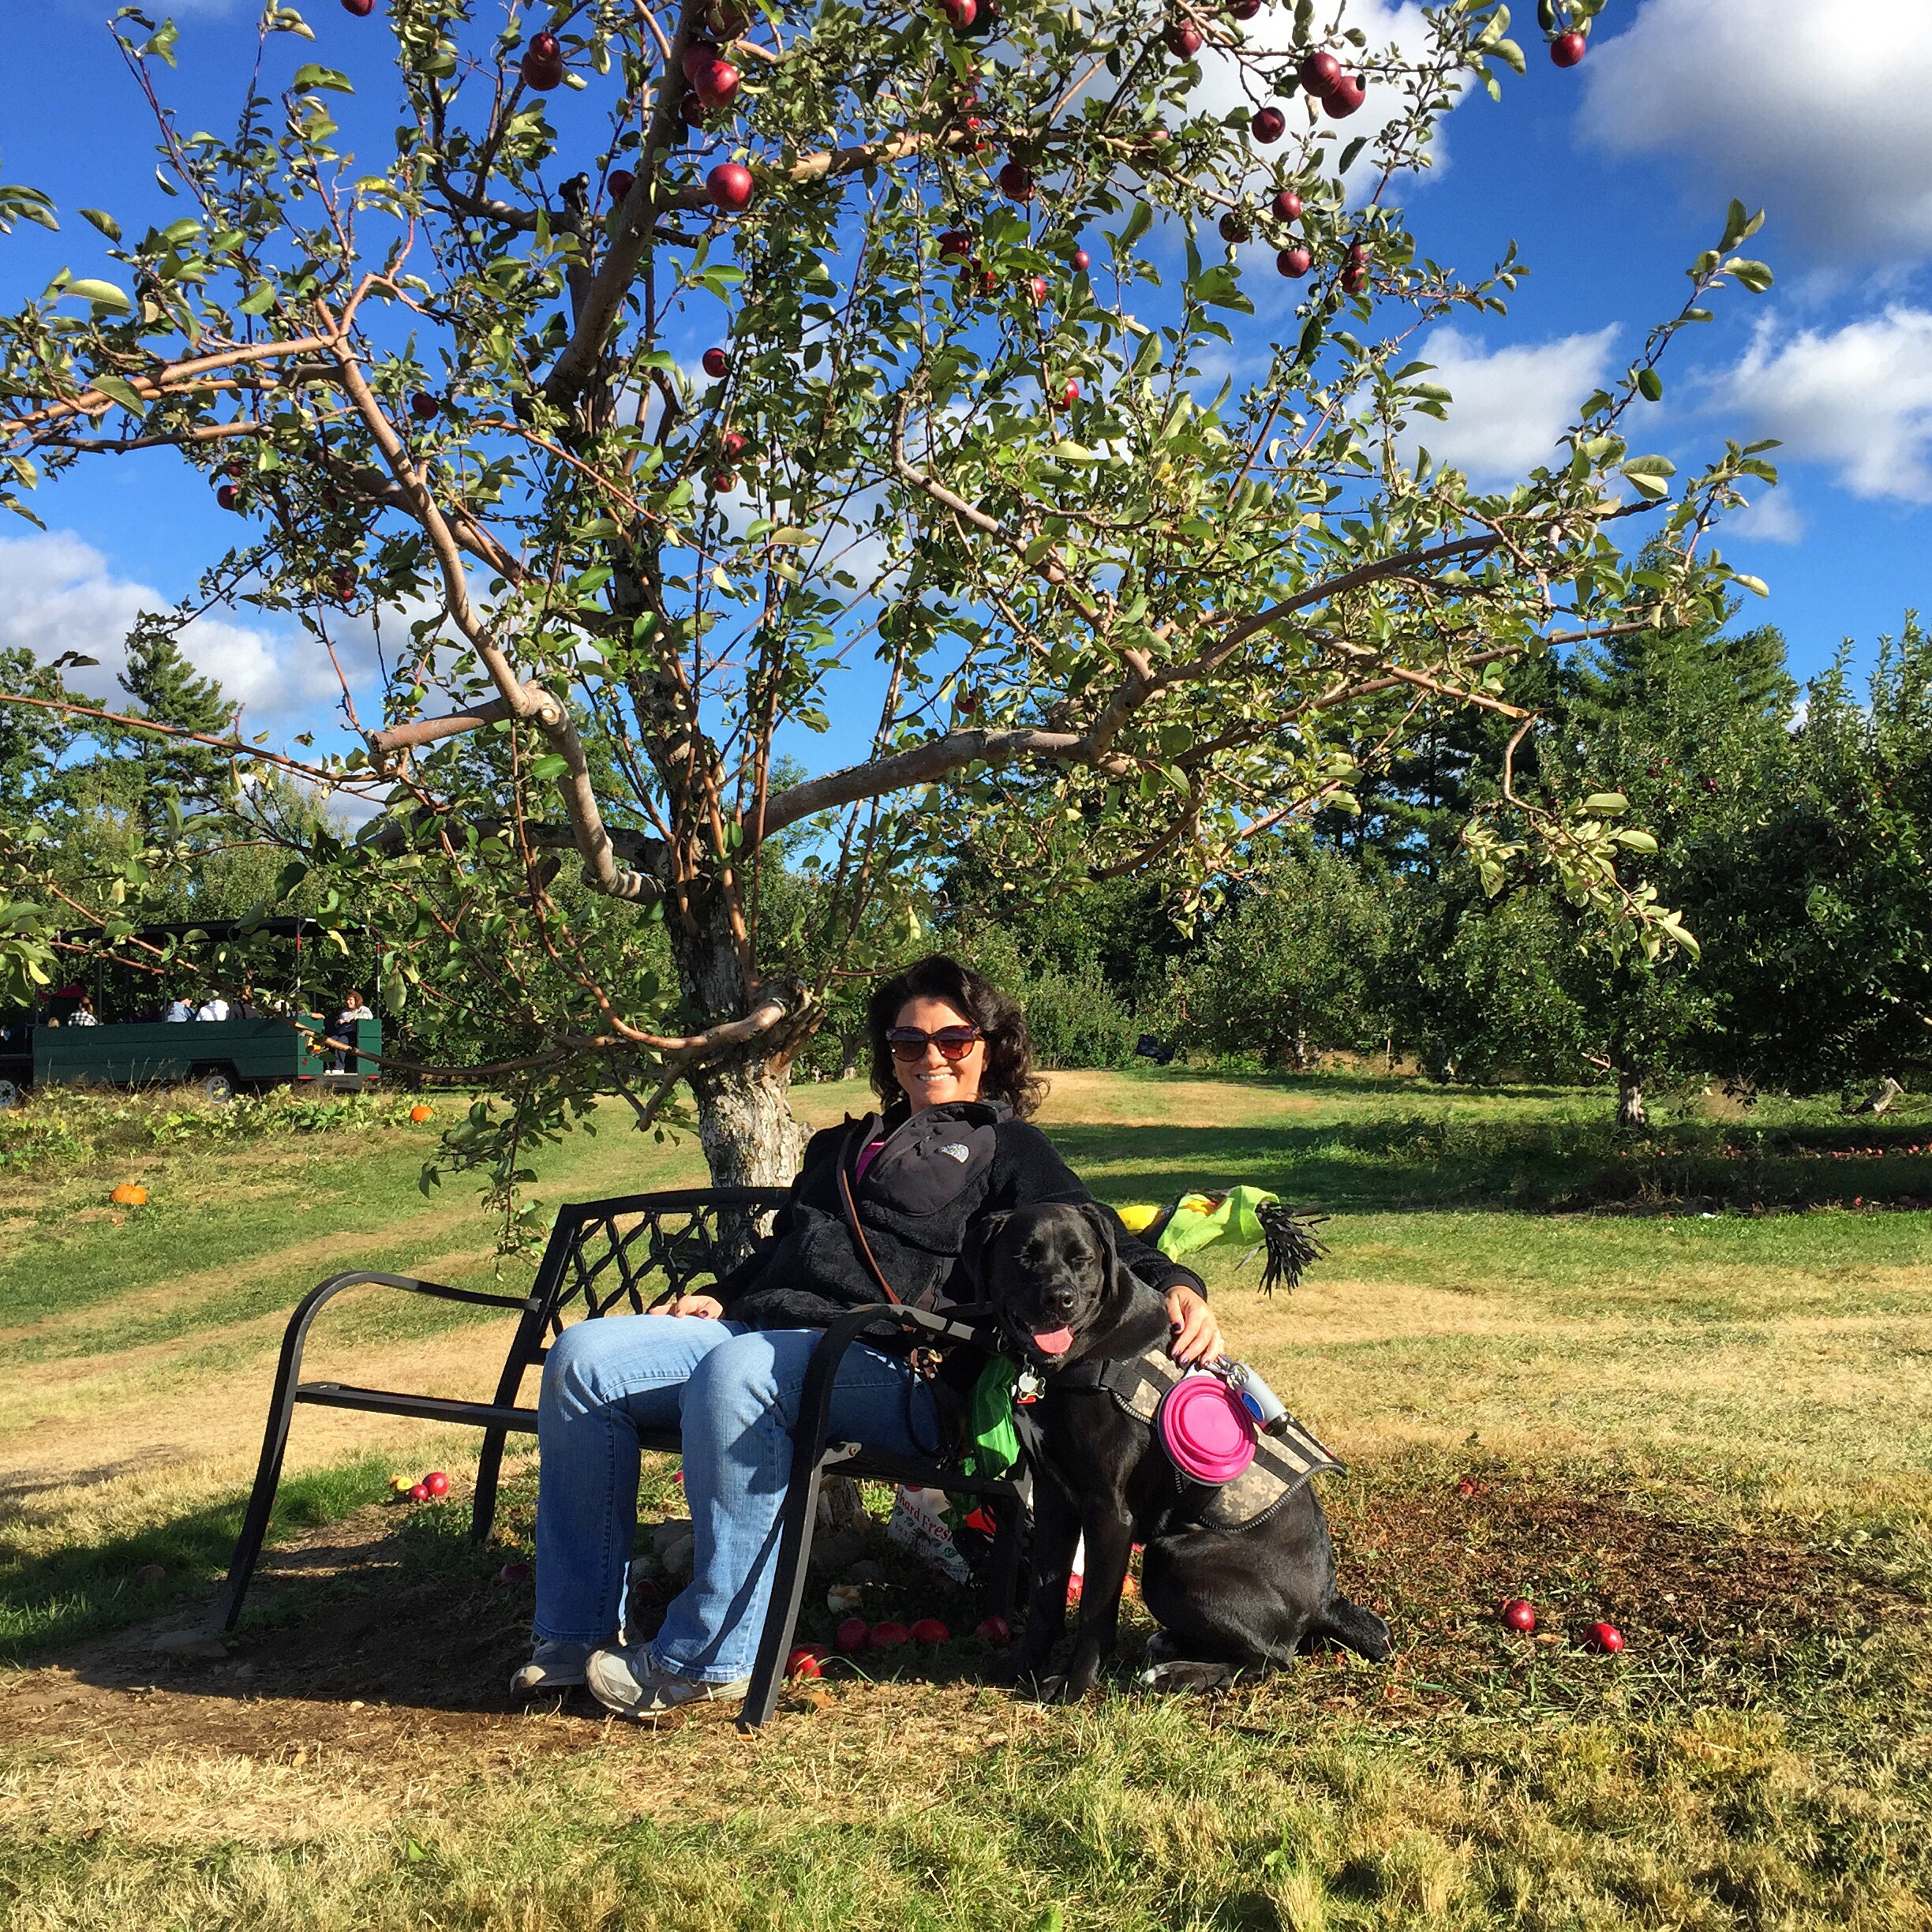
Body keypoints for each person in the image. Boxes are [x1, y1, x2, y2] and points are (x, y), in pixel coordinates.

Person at [516, 953, 1222, 1717]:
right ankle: (572, 1636)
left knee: (740, 1372)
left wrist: (1180, 1285)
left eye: (953, 1040)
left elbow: (1096, 1231)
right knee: (587, 1358)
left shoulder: (1009, 1148)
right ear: (890, 1054)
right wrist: (720, 1295)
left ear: (989, 1048)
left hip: (897, 1364)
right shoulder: (842, 1148)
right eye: (909, 1042)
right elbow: (786, 1250)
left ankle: (709, 1656)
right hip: (764, 1335)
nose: (931, 1056)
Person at [332, 989, 374, 1070]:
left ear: (356, 1000)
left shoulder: (362, 1009)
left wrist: (354, 1017)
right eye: (347, 1000)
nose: (348, 1002)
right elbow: (337, 1024)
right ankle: (329, 1066)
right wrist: (339, 1022)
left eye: (350, 1000)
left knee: (341, 1042)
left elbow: (370, 1016)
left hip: (353, 1034)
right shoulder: (344, 1011)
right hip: (342, 1032)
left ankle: (340, 1068)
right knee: (331, 1040)